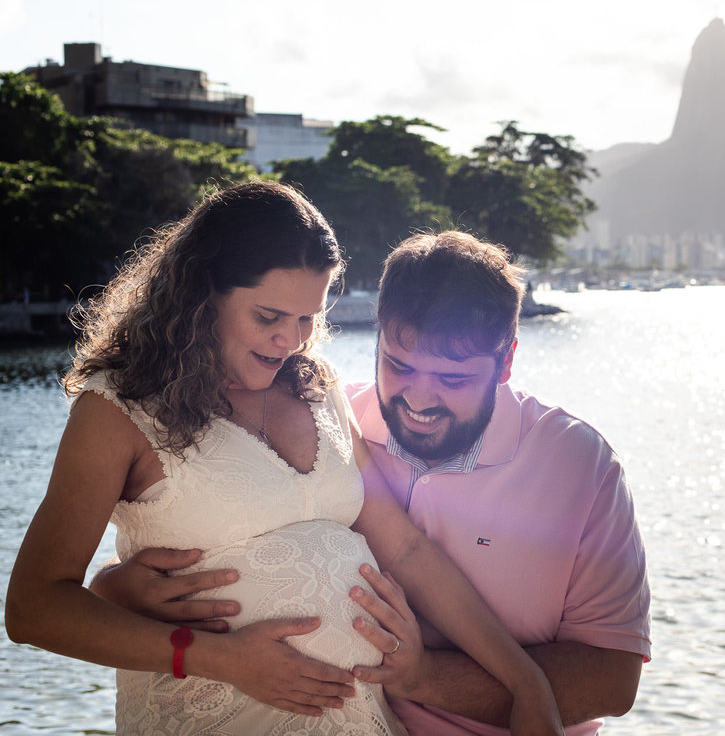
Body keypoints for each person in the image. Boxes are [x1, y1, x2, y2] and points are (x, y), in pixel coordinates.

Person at [5, 183, 562, 736]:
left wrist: (524, 681)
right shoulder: (118, 409)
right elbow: (34, 607)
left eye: (306, 319)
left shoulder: (318, 392)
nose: (289, 341)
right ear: (202, 293)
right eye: (269, 315)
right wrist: (220, 658)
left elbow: (409, 548)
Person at [97, 230, 653, 735]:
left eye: (453, 379)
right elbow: (231, 530)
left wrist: (425, 677)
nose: (418, 399)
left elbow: (612, 681)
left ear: (506, 362)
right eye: (399, 364)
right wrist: (113, 589)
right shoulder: (333, 423)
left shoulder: (579, 467)